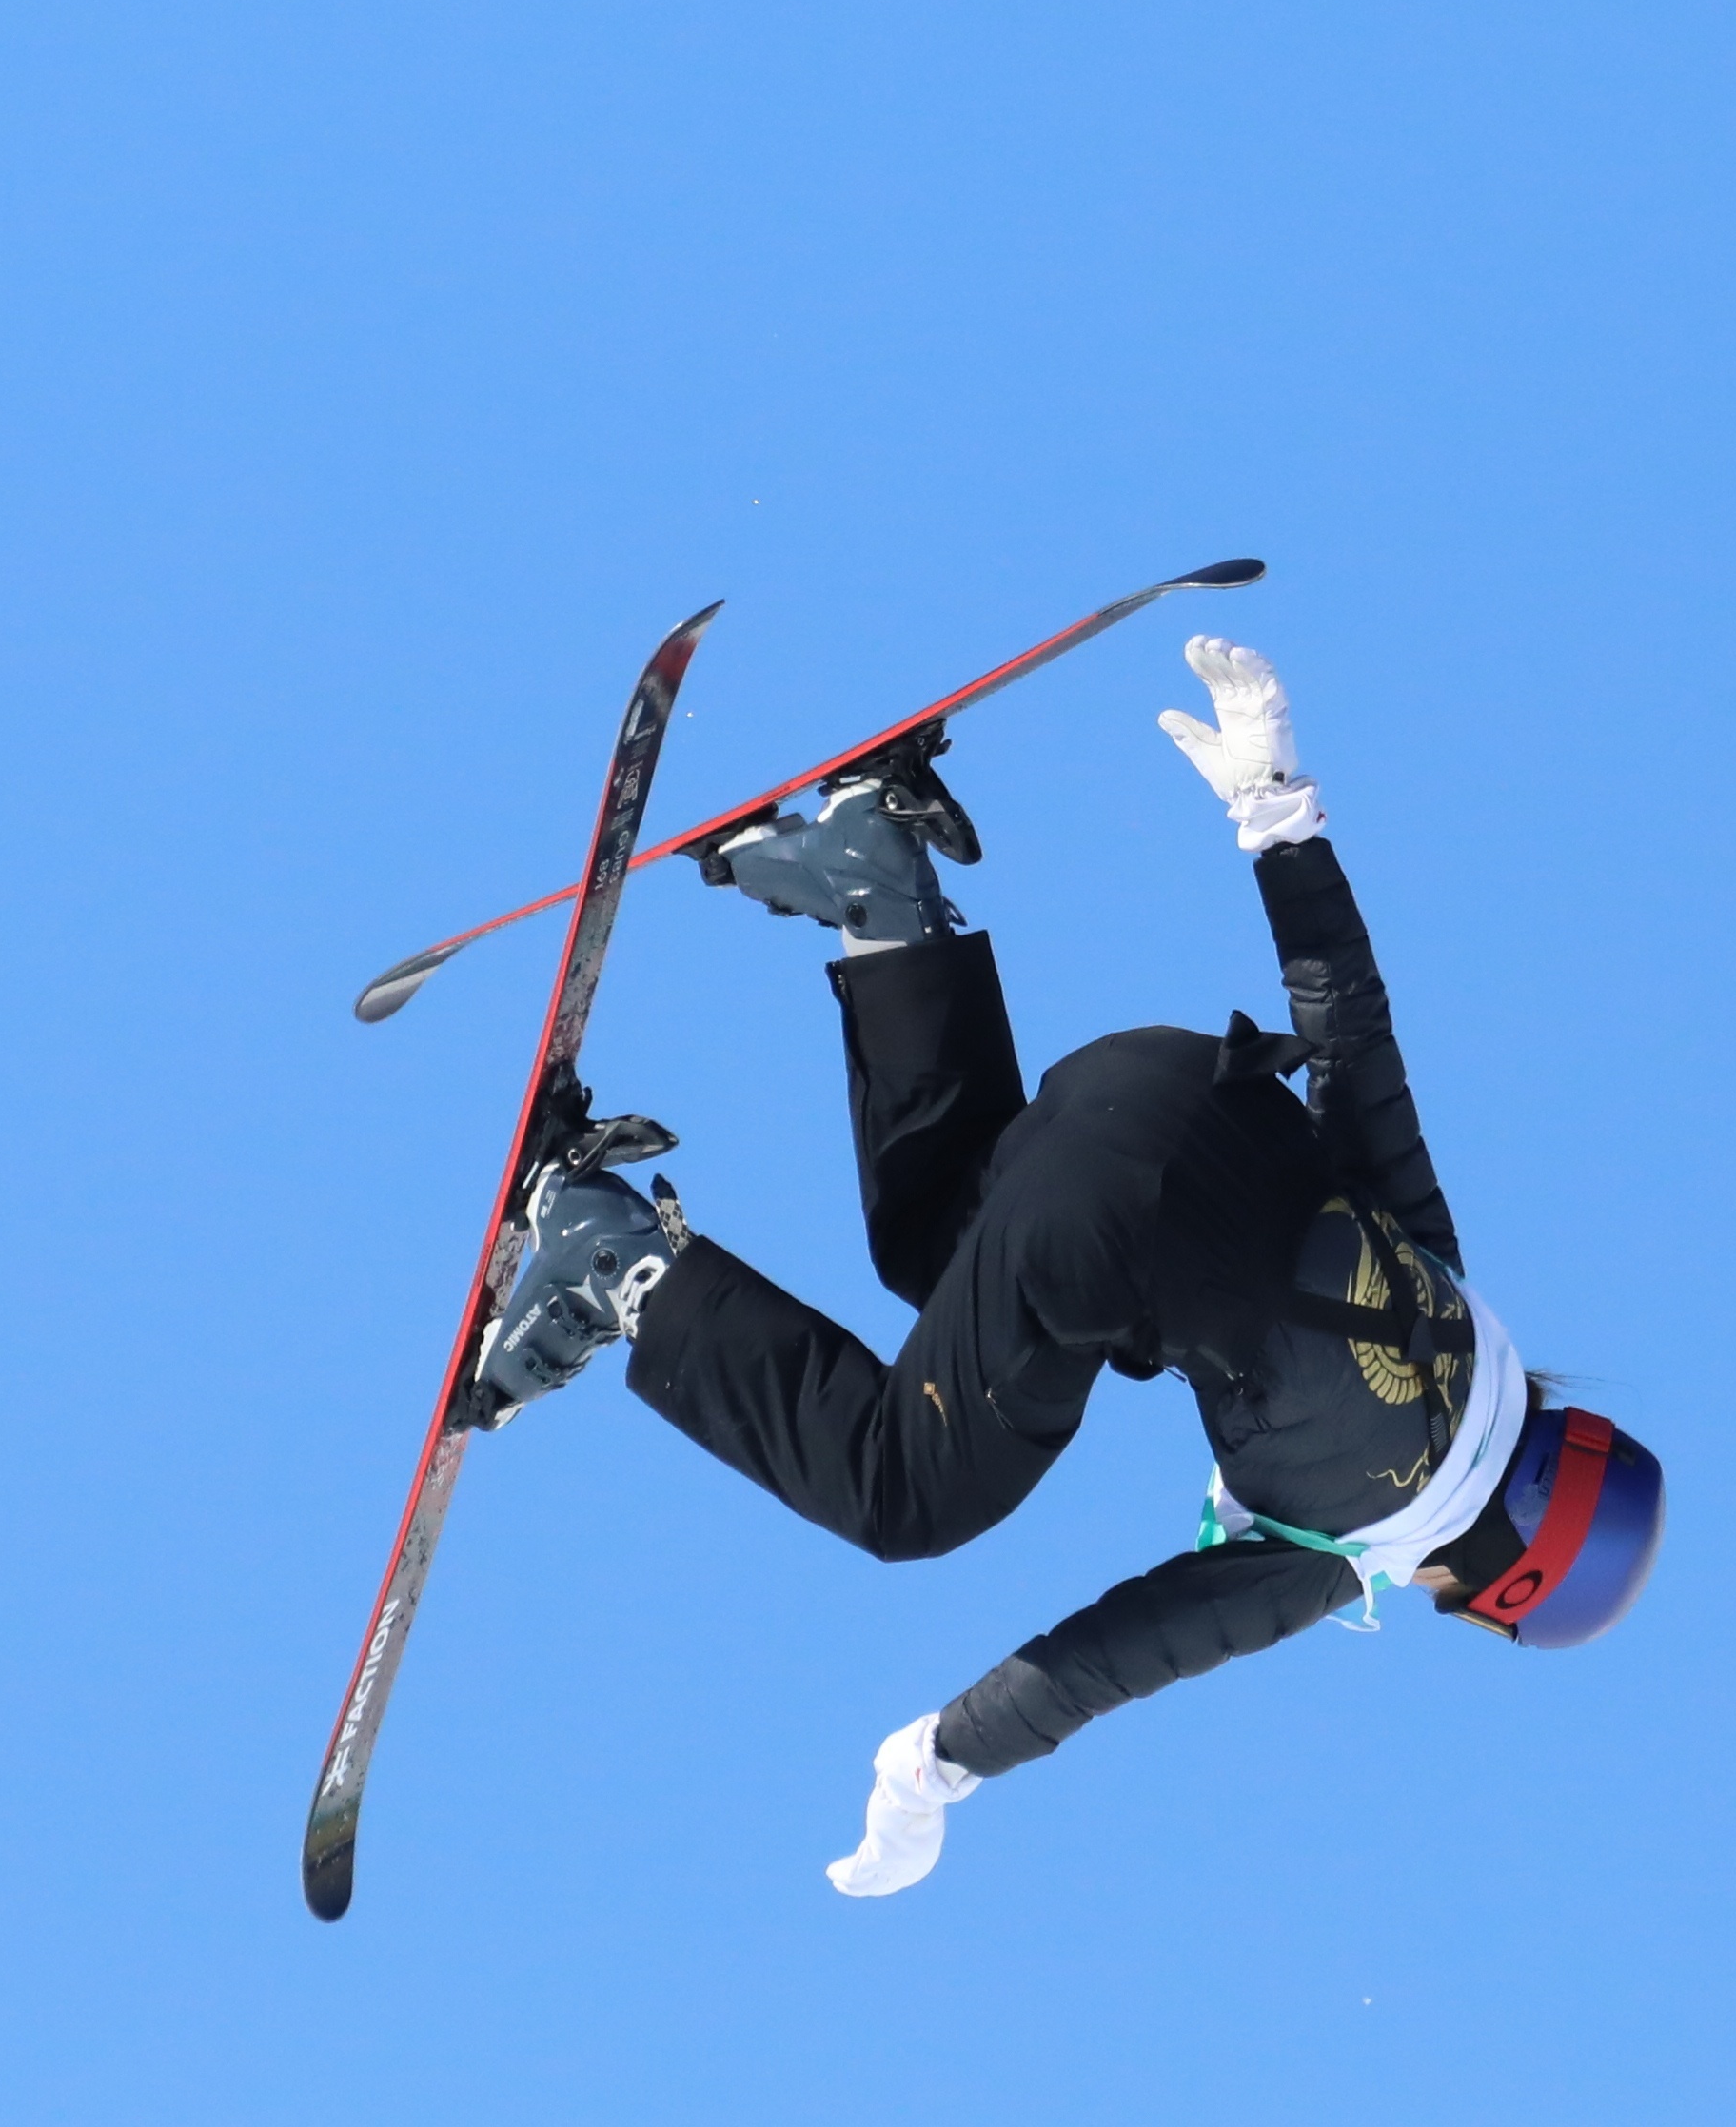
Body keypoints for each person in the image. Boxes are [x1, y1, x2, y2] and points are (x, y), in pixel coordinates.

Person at [468, 636, 1666, 1896]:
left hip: (1158, 1078)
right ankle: (610, 1261)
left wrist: (1279, 816)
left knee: (940, 1257)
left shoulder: (1451, 1295)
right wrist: (937, 1764)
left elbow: (1355, 1040)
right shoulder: (1345, 1544)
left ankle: (881, 887)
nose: (1419, 1595)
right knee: (906, 1495)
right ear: (1499, 1567)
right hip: (1099, 1223)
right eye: (1456, 1604)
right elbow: (1115, 1656)